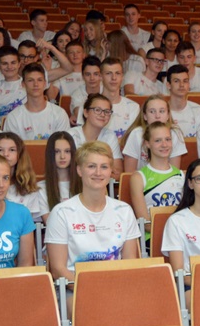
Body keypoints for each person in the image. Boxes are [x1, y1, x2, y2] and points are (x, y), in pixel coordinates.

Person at [44, 142, 142, 285]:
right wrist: (91, 290)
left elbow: (130, 262)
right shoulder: (61, 213)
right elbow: (58, 270)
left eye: (104, 167)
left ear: (111, 171)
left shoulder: (124, 210)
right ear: (79, 170)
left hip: (117, 286)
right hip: (76, 289)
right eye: (91, 166)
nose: (98, 173)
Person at [128, 122, 184, 230]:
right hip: (153, 236)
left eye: (168, 139)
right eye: (158, 140)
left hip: (179, 235)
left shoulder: (182, 175)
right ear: (147, 144)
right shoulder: (138, 177)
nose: (164, 145)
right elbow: (146, 224)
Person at [0, 132, 48, 221]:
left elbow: (26, 223)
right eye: (0, 150)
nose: (5, 154)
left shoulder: (28, 186)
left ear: (19, 154)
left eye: (12, 150)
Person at [1, 64, 69, 142]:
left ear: (45, 83)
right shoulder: (13, 117)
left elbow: (63, 145)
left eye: (39, 80)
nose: (36, 84)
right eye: (30, 80)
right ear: (23, 84)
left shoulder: (59, 114)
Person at [121, 95, 189, 172]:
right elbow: (129, 173)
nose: (157, 116)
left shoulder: (175, 133)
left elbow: (174, 172)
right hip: (140, 178)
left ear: (168, 115)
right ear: (145, 116)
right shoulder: (136, 134)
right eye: (152, 112)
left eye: (162, 111)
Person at [68, 94, 122, 171]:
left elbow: (117, 171)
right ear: (86, 112)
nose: (102, 114)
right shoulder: (71, 135)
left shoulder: (110, 136)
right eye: (97, 110)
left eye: (107, 111)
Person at [43, 131, 81, 213]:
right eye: (57, 151)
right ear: (50, 154)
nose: (62, 156)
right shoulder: (42, 188)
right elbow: (48, 219)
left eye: (67, 151)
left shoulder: (84, 185)